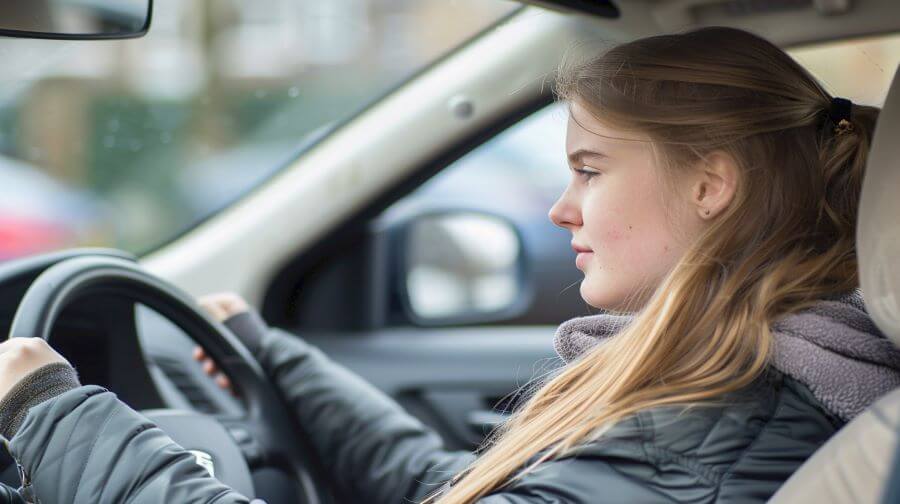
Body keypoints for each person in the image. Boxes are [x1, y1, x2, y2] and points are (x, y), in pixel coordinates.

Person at [0, 26, 897, 503]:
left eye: (589, 170)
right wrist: (277, 360)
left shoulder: (718, 420)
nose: (560, 208)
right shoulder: (750, 390)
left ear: (712, 184)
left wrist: (49, 414)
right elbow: (462, 491)